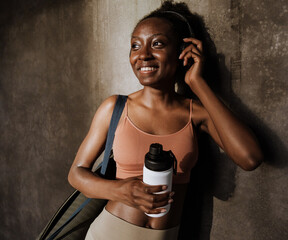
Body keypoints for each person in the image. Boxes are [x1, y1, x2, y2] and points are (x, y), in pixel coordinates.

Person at [68, 1, 263, 239]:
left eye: (157, 43)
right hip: (110, 232)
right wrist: (121, 190)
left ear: (183, 51)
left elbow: (250, 158)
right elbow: (76, 173)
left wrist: (198, 84)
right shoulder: (115, 108)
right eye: (135, 46)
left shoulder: (196, 113)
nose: (143, 55)